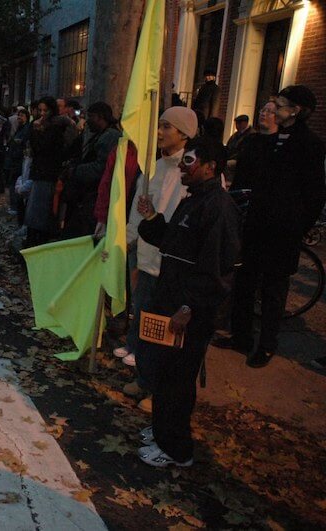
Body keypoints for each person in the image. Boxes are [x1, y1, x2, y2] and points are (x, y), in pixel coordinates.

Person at [135, 136, 241, 467]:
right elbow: (172, 241)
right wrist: (151, 218)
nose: (182, 166)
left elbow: (218, 271)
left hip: (188, 313)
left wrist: (188, 307)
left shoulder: (218, 209)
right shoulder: (192, 199)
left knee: (179, 379)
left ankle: (176, 449)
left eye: (189, 161)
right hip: (171, 302)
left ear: (210, 166)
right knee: (166, 372)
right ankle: (163, 429)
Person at [216, 85, 326, 368]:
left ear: (295, 110)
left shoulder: (310, 145)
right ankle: (240, 337)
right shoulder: (265, 140)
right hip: (255, 225)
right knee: (245, 283)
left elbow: (314, 194)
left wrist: (298, 227)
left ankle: (266, 345)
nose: (274, 105)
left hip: (283, 232)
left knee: (273, 291)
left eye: (281, 102)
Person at [120, 106, 199, 409]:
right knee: (144, 320)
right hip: (147, 257)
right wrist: (127, 241)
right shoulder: (154, 167)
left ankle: (158, 390)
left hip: (173, 264)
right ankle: (144, 379)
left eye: (168, 126)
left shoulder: (191, 173)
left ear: (184, 134)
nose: (161, 132)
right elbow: (139, 211)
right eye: (160, 125)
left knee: (166, 329)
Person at [61, 101, 121, 239]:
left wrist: (75, 171)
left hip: (93, 197)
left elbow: (100, 168)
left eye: (91, 116)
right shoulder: (102, 135)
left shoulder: (110, 136)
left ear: (100, 117)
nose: (88, 121)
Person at [23, 96, 70, 247]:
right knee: (36, 209)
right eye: (40, 110)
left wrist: (36, 132)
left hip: (47, 173)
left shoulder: (54, 127)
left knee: (39, 210)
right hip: (41, 172)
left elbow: (41, 148)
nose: (42, 113)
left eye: (45, 110)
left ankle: (36, 241)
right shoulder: (44, 125)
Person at [229, 100, 278, 191]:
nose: (263, 114)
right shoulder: (250, 139)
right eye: (263, 110)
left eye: (269, 111)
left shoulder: (278, 142)